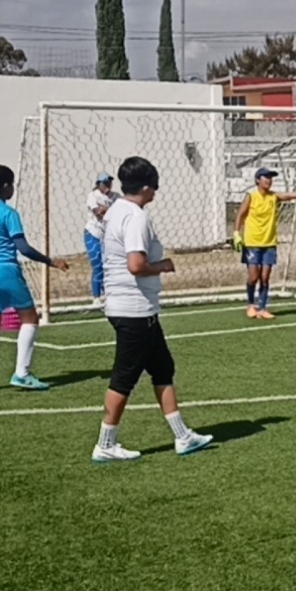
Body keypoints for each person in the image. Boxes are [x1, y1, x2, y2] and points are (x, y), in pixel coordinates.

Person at [92, 155, 213, 463]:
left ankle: (183, 436)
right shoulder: (135, 216)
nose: (156, 193)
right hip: (133, 309)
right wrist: (163, 265)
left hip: (135, 307)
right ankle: (106, 442)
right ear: (146, 187)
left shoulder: (116, 208)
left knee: (163, 368)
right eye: (154, 187)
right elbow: (136, 265)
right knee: (124, 377)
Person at [0, 164, 68, 394]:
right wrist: (51, 261)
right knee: (30, 318)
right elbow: (23, 248)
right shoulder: (8, 213)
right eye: (11, 184)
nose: (13, 188)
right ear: (5, 186)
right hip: (5, 271)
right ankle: (22, 373)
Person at [233, 167, 296, 320]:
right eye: (265, 177)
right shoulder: (251, 196)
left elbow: (293, 195)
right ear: (257, 180)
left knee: (265, 277)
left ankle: (263, 308)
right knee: (253, 277)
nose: (269, 180)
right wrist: (236, 234)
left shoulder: (274, 197)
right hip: (252, 242)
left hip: (269, 242)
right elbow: (240, 215)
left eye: (270, 178)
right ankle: (250, 305)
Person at [85, 172, 116, 306]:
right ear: (99, 184)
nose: (108, 185)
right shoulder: (93, 196)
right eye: (105, 183)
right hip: (93, 233)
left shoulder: (116, 196)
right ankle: (96, 297)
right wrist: (111, 209)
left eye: (109, 182)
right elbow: (98, 212)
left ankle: (108, 294)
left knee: (110, 265)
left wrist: (107, 209)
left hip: (108, 235)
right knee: (98, 265)